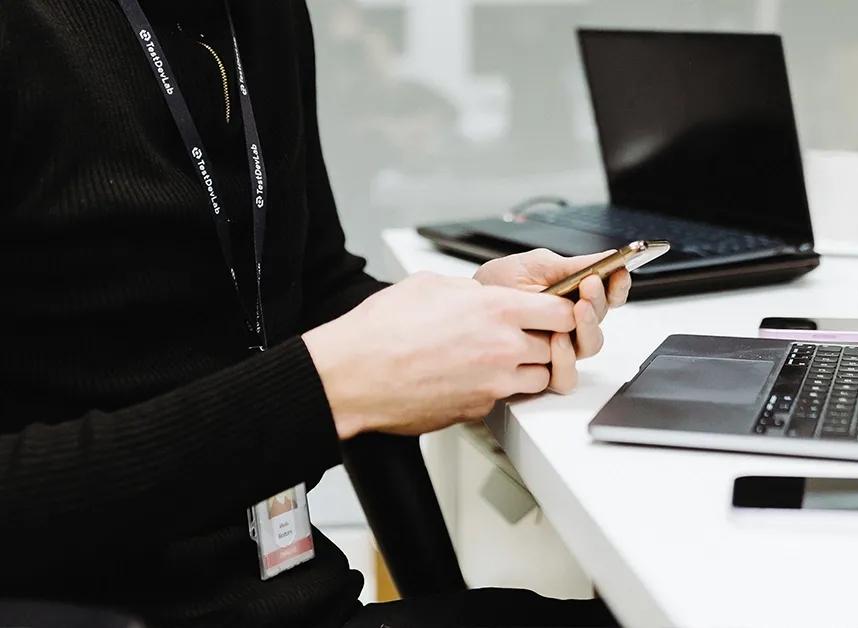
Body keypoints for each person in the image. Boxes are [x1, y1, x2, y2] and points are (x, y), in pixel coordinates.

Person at [0, 1, 629, 627]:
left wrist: (469, 318)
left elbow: (313, 284)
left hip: (294, 595)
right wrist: (330, 389)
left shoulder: (264, 18)